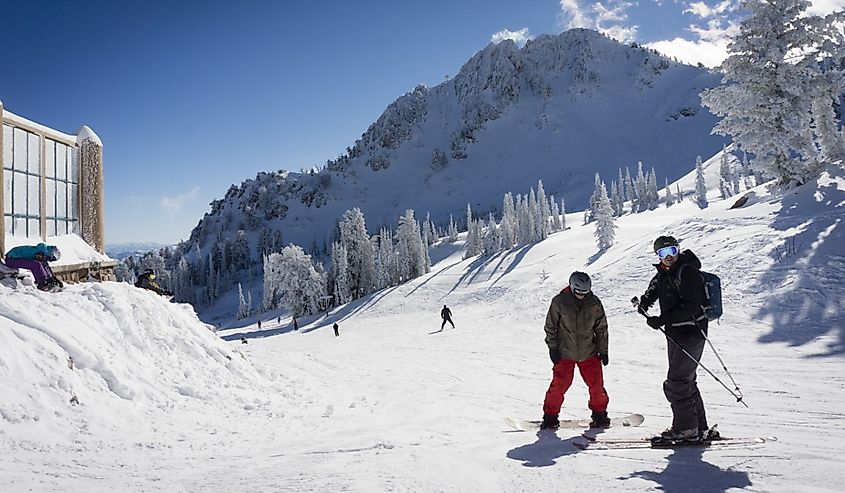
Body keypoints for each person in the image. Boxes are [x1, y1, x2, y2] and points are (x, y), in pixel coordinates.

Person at [637, 235, 714, 441]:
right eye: (663, 253)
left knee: (677, 383)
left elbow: (691, 306)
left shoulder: (687, 272)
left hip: (691, 333)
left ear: (678, 250)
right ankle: (699, 427)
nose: (668, 256)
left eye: (672, 250)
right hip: (677, 334)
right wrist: (645, 302)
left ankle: (687, 430)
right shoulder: (665, 273)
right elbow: (656, 287)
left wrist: (662, 319)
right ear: (658, 256)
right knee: (686, 380)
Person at [540, 271, 610, 430]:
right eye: (578, 292)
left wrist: (603, 350)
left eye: (585, 292)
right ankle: (550, 417)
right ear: (572, 287)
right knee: (559, 385)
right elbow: (550, 326)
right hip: (565, 353)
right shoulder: (559, 302)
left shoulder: (594, 303)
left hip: (589, 352)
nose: (581, 295)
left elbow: (601, 328)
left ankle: (600, 414)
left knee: (597, 386)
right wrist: (553, 348)